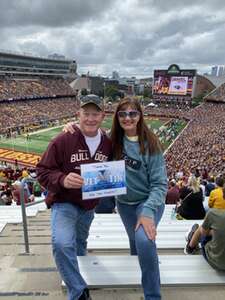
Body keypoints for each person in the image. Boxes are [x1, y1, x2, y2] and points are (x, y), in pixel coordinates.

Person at [64, 97, 168, 300]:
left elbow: (160, 184)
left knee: (145, 242)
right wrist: (74, 128)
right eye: (123, 114)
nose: (127, 118)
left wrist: (147, 212)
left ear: (140, 116)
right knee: (134, 242)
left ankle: (153, 295)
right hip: (124, 205)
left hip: (147, 203)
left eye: (133, 113)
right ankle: (138, 269)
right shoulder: (111, 140)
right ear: (117, 117)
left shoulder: (151, 143)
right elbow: (90, 136)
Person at [36, 95, 112, 300]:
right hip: (64, 202)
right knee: (61, 243)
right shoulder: (63, 139)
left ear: (102, 116)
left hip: (89, 206)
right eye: (85, 113)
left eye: (95, 114)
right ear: (78, 114)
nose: (90, 118)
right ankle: (78, 291)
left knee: (79, 243)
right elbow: (42, 171)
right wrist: (61, 179)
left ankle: (78, 271)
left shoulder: (108, 142)